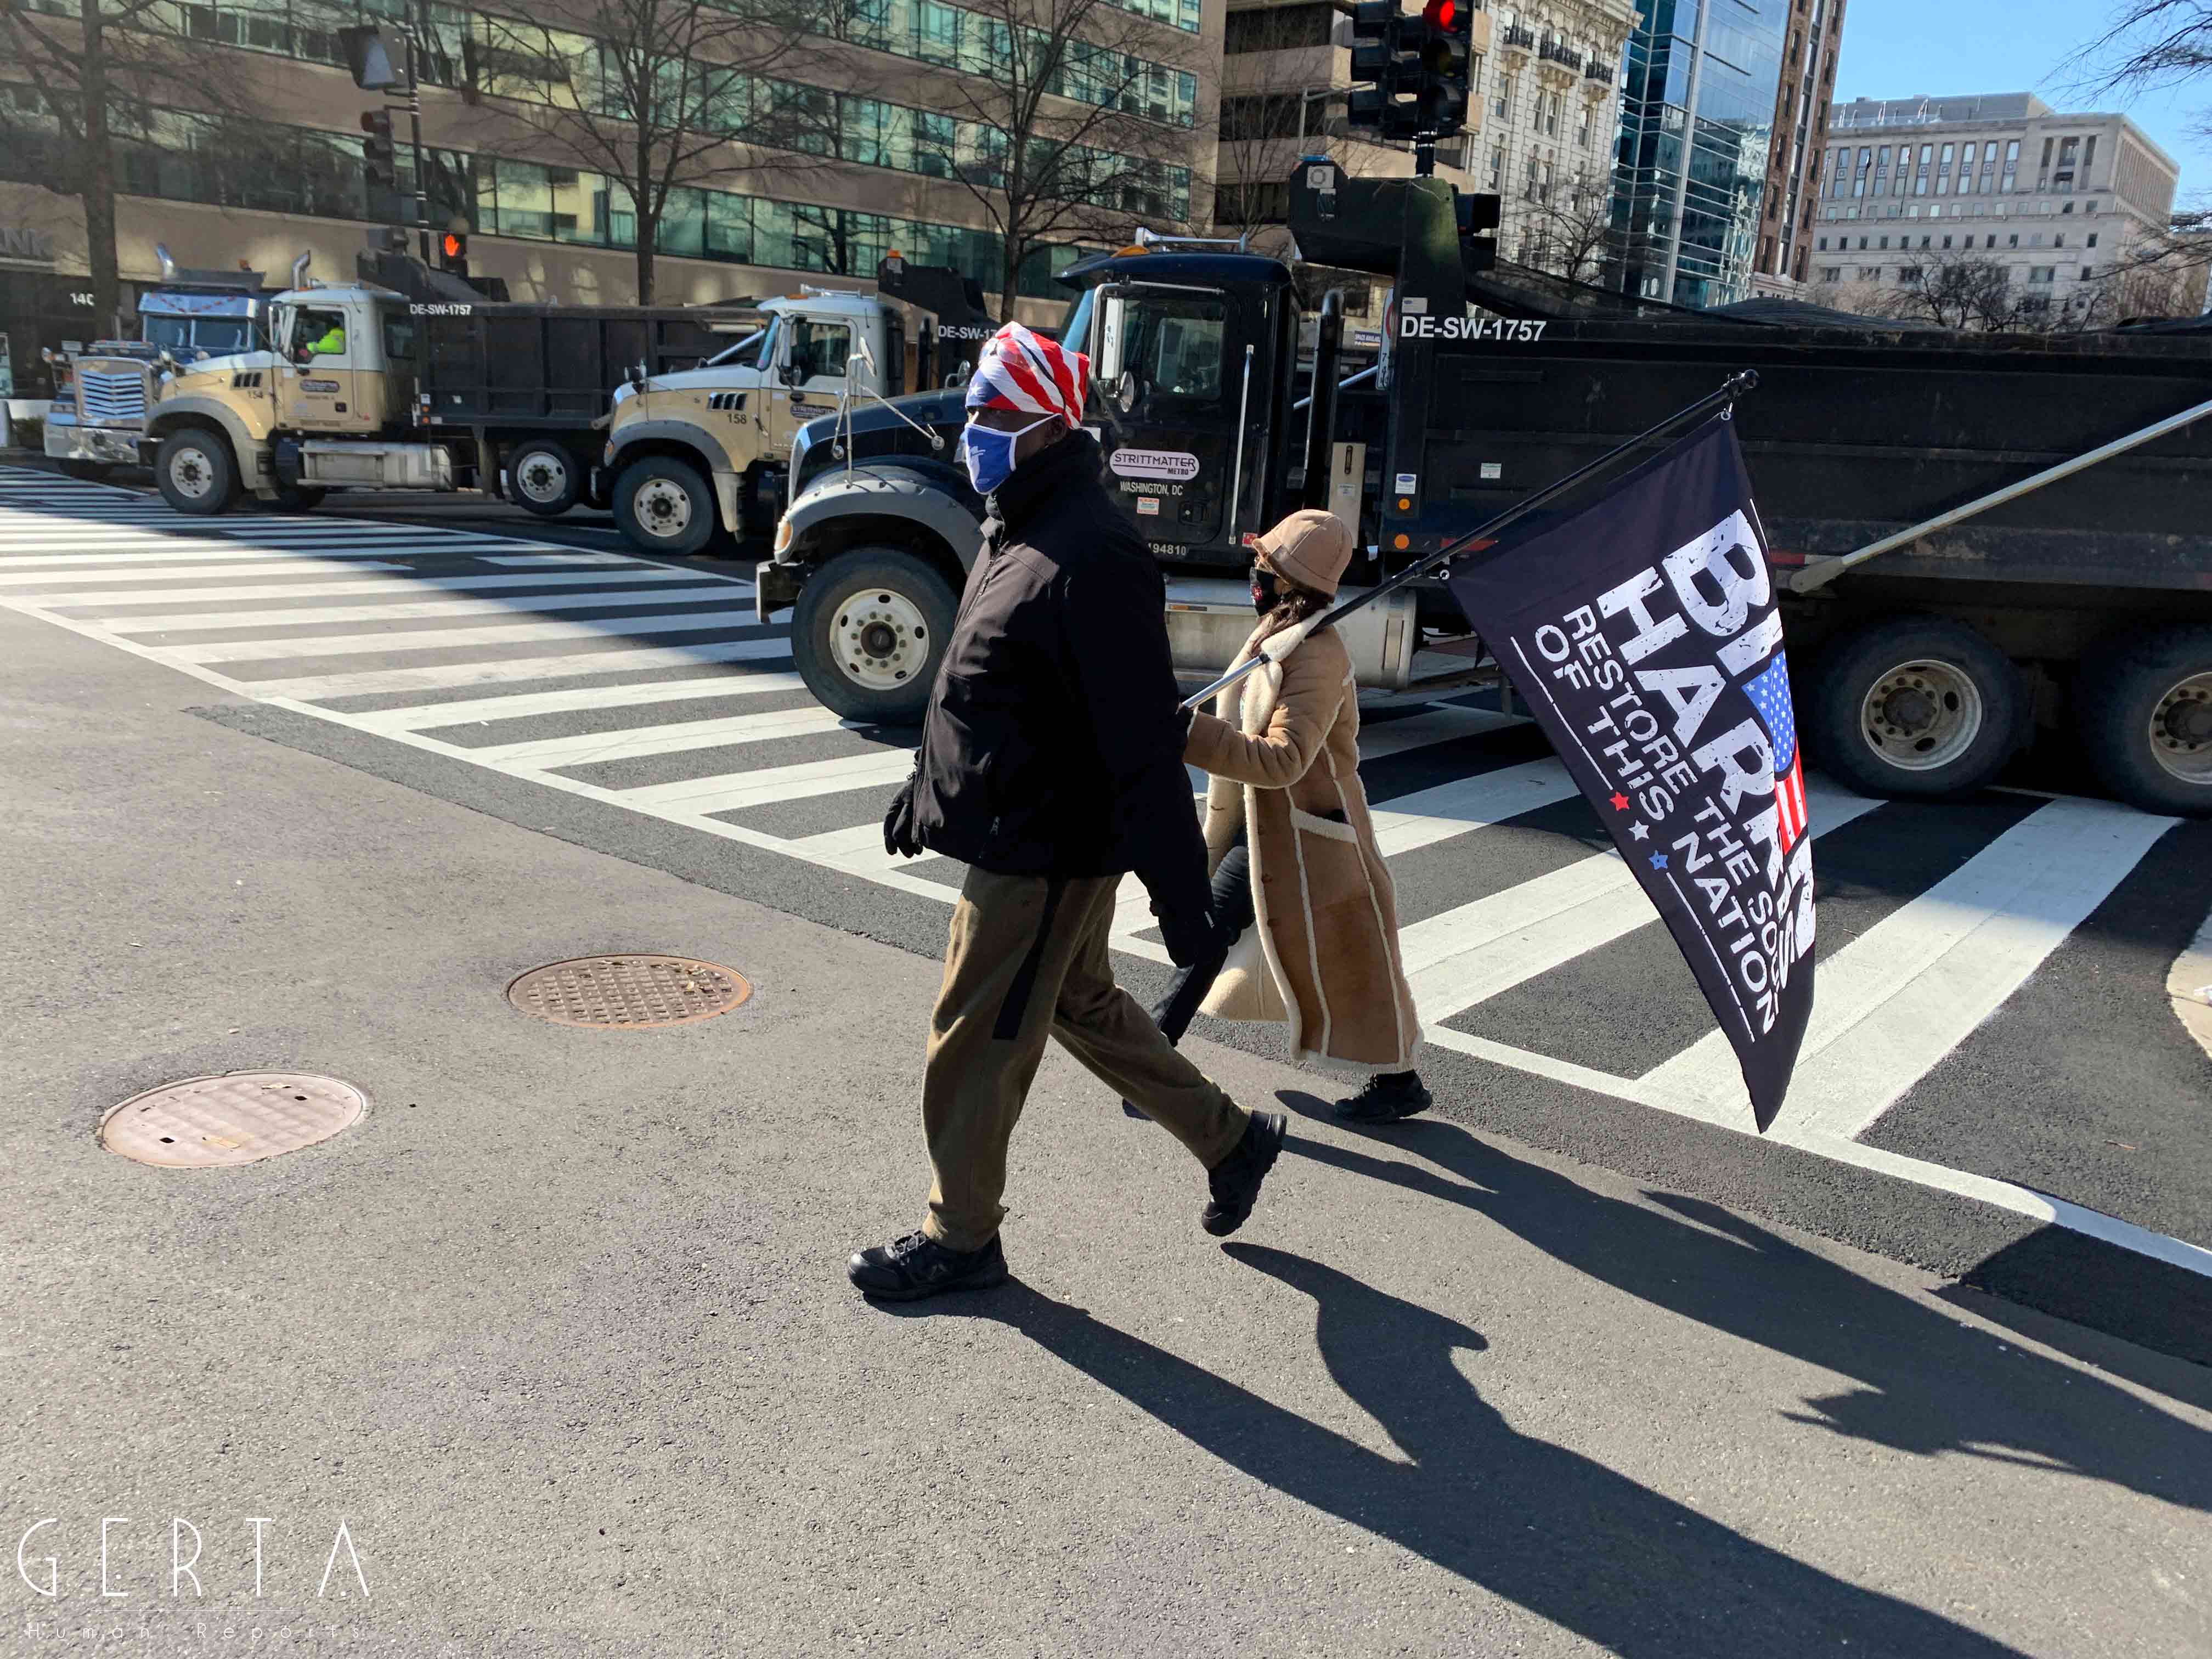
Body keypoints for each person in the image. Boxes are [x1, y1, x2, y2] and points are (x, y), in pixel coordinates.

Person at [852, 321, 1288, 1302]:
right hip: (1021, 824)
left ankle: (961, 1236)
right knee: (1080, 1002)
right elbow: (978, 677)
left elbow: (1140, 740)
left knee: (976, 1037)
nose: (971, 430)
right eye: (974, 411)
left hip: (1044, 848)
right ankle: (1232, 1140)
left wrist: (1183, 899)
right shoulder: (1018, 523)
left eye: (991, 414)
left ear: (1049, 426)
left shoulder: (1096, 552)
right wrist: (923, 787)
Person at [1131, 508, 1432, 1124]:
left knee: (1350, 958)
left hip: (1312, 831)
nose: (1254, 575)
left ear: (1291, 582)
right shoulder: (1279, 630)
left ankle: (1152, 1069)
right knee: (1283, 944)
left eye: (1264, 567)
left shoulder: (1316, 656)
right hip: (1268, 825)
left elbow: (1285, 760)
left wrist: (1186, 733)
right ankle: (1154, 1067)